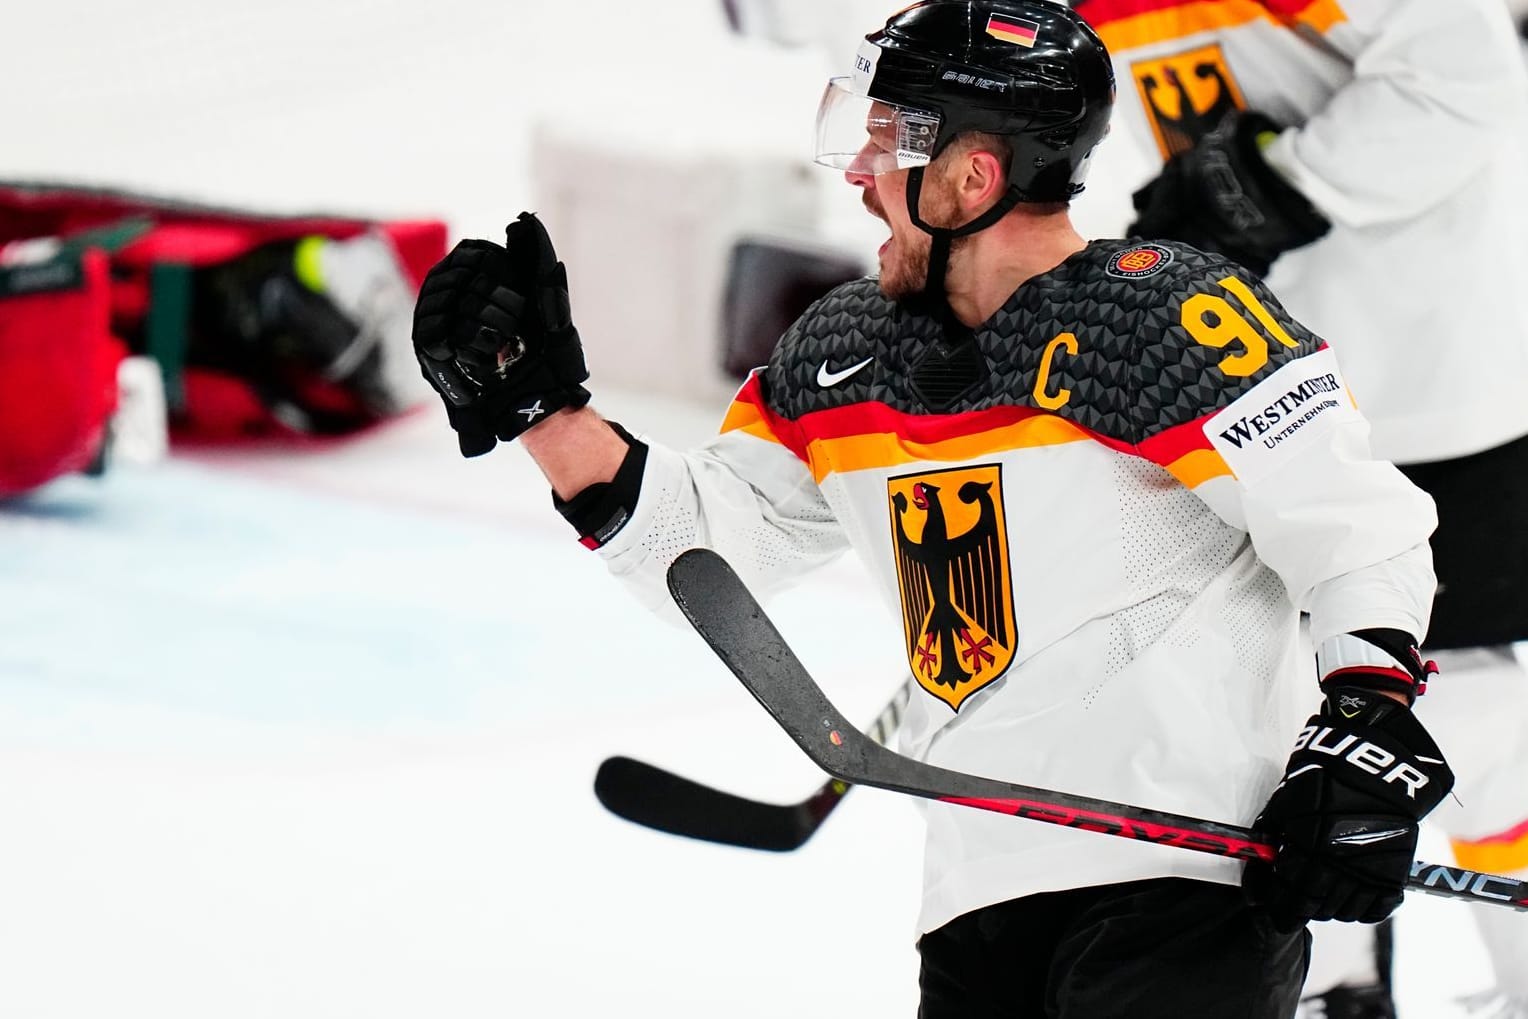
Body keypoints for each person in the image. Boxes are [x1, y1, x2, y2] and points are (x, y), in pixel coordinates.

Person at [411, 3, 1458, 1015]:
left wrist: (1361, 724)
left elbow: (1358, 529)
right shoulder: (840, 353)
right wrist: (543, 413)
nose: (861, 177)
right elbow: (713, 559)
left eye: (885, 144)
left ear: (972, 174)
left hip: (1187, 875)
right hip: (977, 885)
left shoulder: (1165, 318)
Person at [1064, 0, 1528, 1014]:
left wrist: (1274, 182)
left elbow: (1464, 72)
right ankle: (1336, 979)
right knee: (1261, 692)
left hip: (1430, 375)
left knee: (1471, 709)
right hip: (1260, 384)